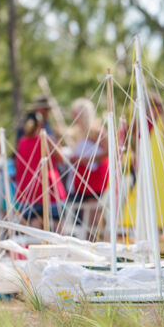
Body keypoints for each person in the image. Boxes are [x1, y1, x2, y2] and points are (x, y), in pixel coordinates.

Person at [15, 112, 66, 229]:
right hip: (49, 188)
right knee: (56, 226)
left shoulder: (21, 142)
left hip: (28, 190)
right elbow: (62, 159)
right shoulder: (46, 139)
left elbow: (18, 166)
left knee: (34, 228)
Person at [67, 98, 109, 238]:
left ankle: (96, 243)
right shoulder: (79, 133)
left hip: (94, 179)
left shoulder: (96, 131)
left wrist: (86, 159)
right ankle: (91, 242)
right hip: (82, 181)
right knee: (87, 215)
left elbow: (108, 151)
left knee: (93, 216)